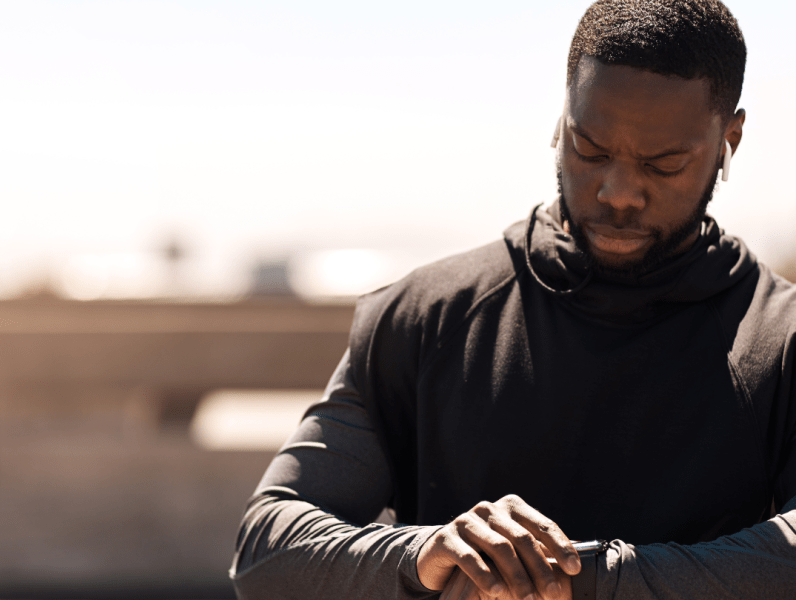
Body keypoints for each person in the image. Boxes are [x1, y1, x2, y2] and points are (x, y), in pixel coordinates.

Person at [230, 1, 796, 598]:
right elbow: (266, 551)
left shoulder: (779, 340)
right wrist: (426, 554)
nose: (619, 191)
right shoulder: (426, 315)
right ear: (561, 121)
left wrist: (590, 581)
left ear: (729, 138)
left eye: (664, 165)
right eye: (590, 149)